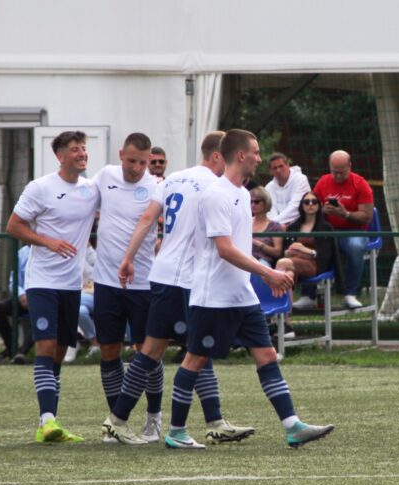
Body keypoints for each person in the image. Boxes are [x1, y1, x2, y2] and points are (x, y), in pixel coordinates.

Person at [163, 128, 334, 449]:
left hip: (241, 295)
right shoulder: (215, 194)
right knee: (195, 360)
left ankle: (292, 426)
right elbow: (225, 249)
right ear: (240, 155)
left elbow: (239, 248)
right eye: (255, 152)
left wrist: (260, 277)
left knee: (267, 355)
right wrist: (267, 273)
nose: (259, 157)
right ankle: (176, 432)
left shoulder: (242, 194)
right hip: (213, 298)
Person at [102, 131, 255, 445]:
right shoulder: (216, 186)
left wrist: (128, 258)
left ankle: (210, 420)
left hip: (162, 273)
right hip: (187, 278)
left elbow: (147, 218)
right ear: (217, 155)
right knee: (186, 349)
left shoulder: (173, 179)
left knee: (166, 350)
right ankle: (122, 420)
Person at [6, 130, 100, 443]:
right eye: (74, 149)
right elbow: (14, 226)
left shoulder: (91, 189)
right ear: (60, 156)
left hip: (73, 286)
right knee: (45, 347)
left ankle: (49, 422)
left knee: (60, 351)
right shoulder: (41, 188)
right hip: (42, 282)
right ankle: (47, 420)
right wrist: (47, 241)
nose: (82, 153)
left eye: (83, 148)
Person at [83, 132, 159, 440]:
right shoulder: (105, 176)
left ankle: (153, 418)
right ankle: (118, 422)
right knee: (109, 350)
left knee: (148, 351)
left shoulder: (156, 186)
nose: (137, 168)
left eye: (143, 162)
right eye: (131, 161)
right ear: (120, 155)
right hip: (106, 282)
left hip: (143, 283)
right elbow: (80, 201)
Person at [313, 150, 374, 308]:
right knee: (306, 244)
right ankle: (309, 294)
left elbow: (367, 217)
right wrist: (322, 211)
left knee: (355, 246)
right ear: (329, 167)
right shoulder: (323, 182)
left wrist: (345, 214)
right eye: (335, 172)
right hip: (328, 231)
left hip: (354, 231)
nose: (338, 176)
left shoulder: (360, 184)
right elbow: (310, 207)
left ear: (350, 167)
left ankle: (350, 293)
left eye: (342, 172)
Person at [286, 194, 344, 310]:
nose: (310, 204)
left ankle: (283, 310)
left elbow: (325, 256)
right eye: (307, 202)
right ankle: (287, 315)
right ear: (302, 206)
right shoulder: (293, 226)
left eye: (314, 201)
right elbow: (285, 251)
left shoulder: (326, 228)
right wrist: (289, 251)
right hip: (292, 262)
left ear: (319, 205)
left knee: (283, 265)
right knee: (287, 272)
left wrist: (305, 250)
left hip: (315, 264)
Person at [0, 245, 34, 364]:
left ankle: (22, 352)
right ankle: (12, 349)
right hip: (24, 297)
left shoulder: (50, 251)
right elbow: (13, 280)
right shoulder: (22, 253)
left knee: (42, 313)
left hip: (42, 297)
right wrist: (21, 295)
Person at [64, 238, 99, 362]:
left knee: (68, 303)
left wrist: (87, 247)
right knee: (80, 311)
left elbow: (96, 266)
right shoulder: (65, 255)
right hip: (79, 295)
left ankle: (72, 341)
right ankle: (94, 343)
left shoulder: (90, 253)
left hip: (95, 294)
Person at [266, 152, 311, 227]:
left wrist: (274, 225)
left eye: (281, 166)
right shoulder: (268, 187)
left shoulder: (301, 180)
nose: (278, 170)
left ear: (288, 165)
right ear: (270, 171)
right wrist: (276, 227)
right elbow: (269, 210)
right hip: (276, 228)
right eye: (275, 168)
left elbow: (295, 208)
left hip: (301, 225)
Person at [251, 186, 284, 267]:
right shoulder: (245, 222)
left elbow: (277, 252)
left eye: (257, 202)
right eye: (250, 202)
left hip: (263, 260)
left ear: (265, 203)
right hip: (244, 258)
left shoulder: (274, 226)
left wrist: (258, 243)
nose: (253, 205)